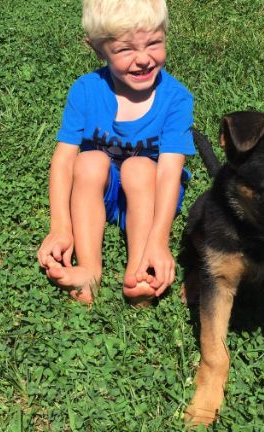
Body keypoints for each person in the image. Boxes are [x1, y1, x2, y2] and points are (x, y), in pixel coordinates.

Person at [37, 0, 194, 306]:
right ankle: (88, 270)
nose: (143, 59)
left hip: (151, 195)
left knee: (139, 167)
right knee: (89, 160)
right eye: (125, 49)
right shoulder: (86, 90)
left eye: (154, 43)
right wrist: (60, 227)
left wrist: (159, 241)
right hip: (102, 195)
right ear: (98, 50)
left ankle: (140, 270)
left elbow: (169, 172)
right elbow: (64, 159)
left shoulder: (176, 99)